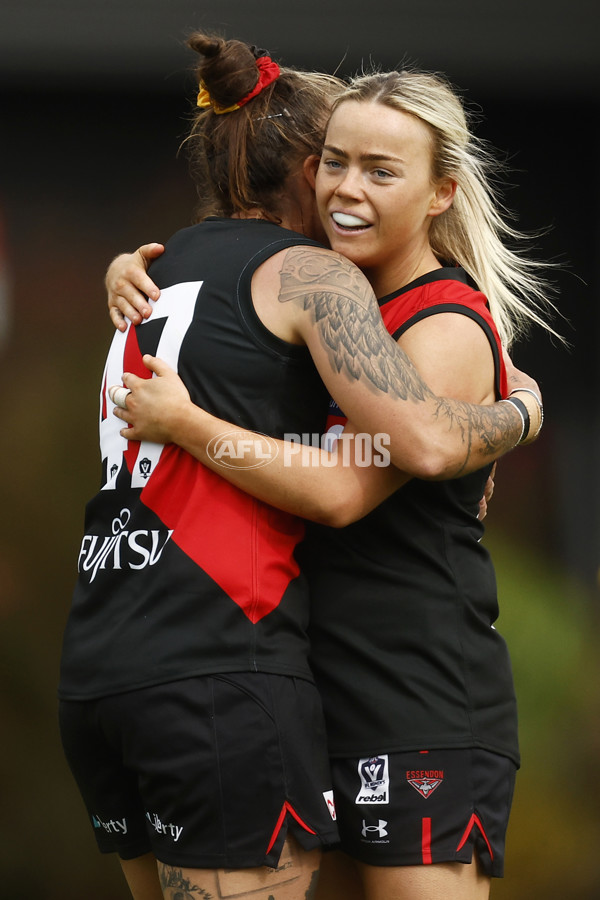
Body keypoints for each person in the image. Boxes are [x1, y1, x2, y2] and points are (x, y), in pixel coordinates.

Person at [62, 32, 541, 900]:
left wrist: (520, 411)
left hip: (413, 693)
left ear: (441, 194)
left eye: (379, 171)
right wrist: (132, 271)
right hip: (308, 679)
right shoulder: (315, 295)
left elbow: (365, 479)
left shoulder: (437, 322)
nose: (348, 189)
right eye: (335, 164)